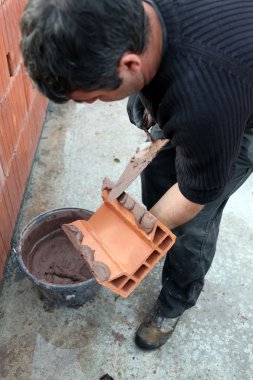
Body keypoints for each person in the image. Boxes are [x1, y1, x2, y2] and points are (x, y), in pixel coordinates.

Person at [20, 0, 253, 350]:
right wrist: (148, 101)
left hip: (235, 113)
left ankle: (175, 301)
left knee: (190, 227)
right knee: (158, 179)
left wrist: (130, 238)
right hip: (201, 85)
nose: (99, 101)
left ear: (130, 62)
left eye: (97, 97)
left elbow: (195, 193)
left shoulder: (206, 106)